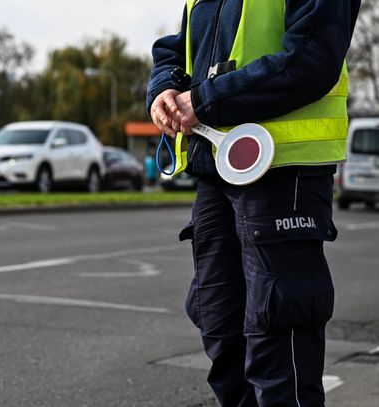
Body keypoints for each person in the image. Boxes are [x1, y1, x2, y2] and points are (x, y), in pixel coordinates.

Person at [147, 1, 361, 406]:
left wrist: (205, 100)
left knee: (278, 340)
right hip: (217, 165)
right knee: (220, 328)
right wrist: (164, 89)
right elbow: (176, 48)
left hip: (284, 168)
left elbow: (313, 57)